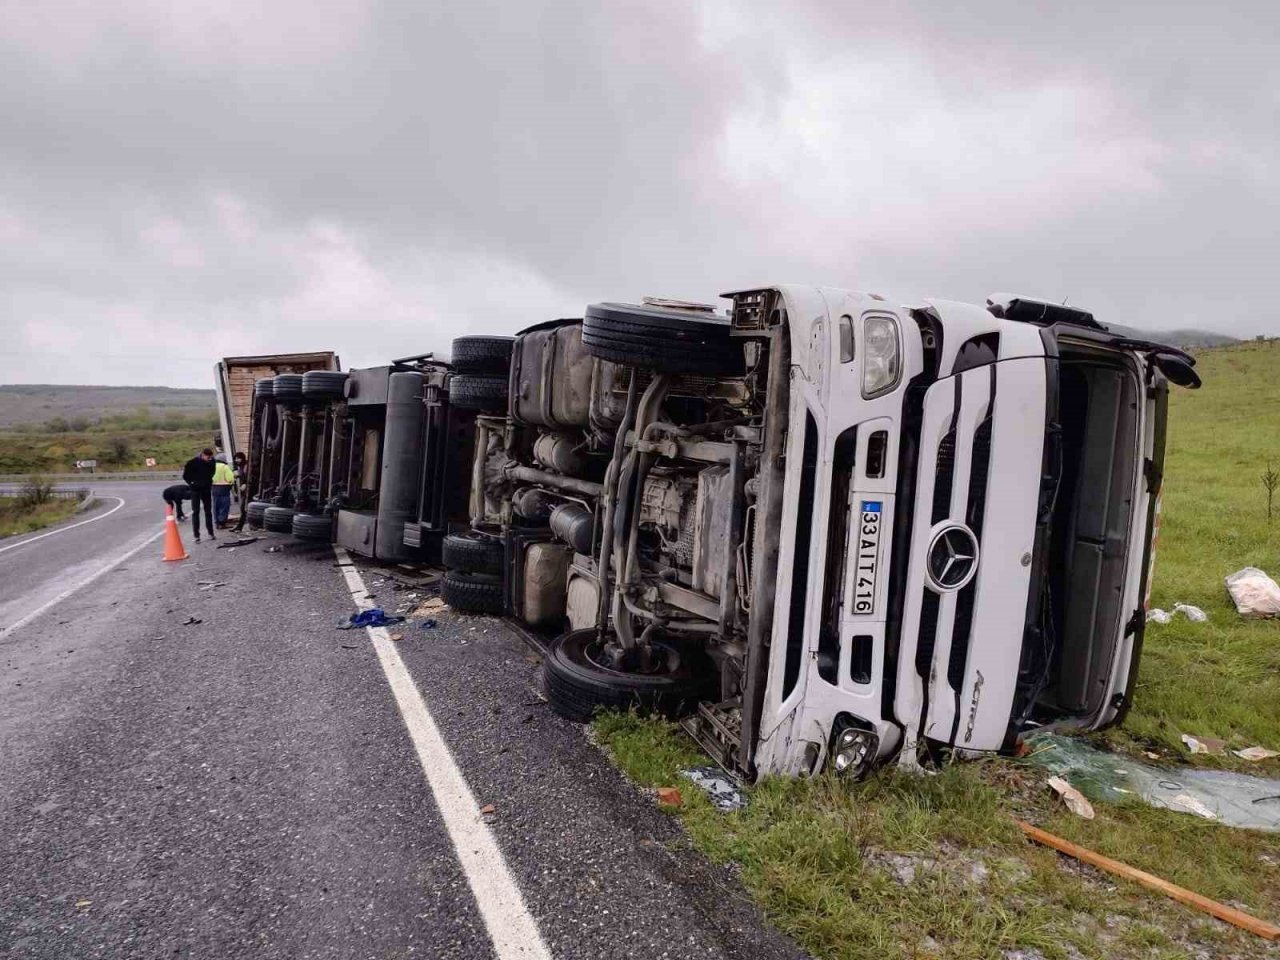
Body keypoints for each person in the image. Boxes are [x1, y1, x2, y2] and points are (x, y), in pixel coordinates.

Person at [182, 448, 217, 542]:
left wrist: (208, 481)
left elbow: (212, 472)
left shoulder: (212, 462)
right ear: (202, 455)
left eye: (210, 457)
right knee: (196, 512)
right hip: (195, 490)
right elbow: (185, 475)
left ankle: (211, 533)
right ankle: (196, 535)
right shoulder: (192, 462)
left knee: (208, 511)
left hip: (206, 489)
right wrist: (192, 483)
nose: (209, 459)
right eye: (207, 457)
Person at [212, 454, 236, 528]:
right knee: (224, 505)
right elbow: (230, 478)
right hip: (224, 488)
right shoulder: (224, 467)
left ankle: (217, 523)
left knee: (216, 506)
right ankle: (222, 523)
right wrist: (232, 482)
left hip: (214, 488)